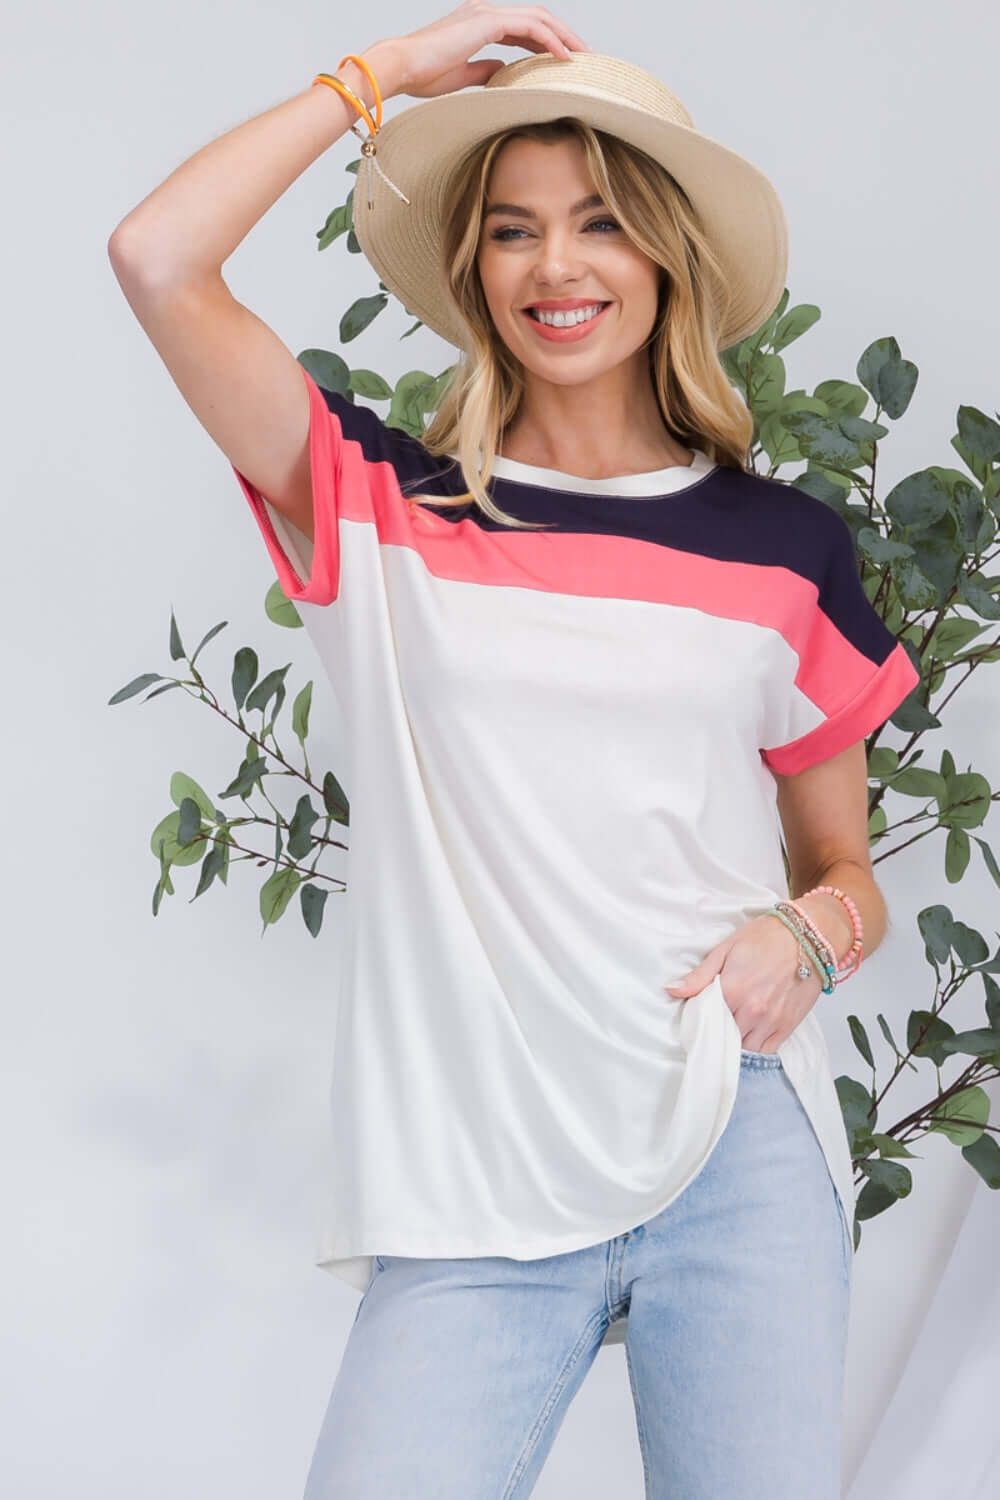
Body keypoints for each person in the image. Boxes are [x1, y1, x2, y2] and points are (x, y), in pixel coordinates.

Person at [108, 6, 920, 1497]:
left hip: (735, 1141)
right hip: (474, 1172)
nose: (560, 267)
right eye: (512, 229)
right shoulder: (380, 507)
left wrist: (809, 936)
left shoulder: (785, 549)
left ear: (664, 252)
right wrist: (390, 78)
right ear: (472, 270)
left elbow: (844, 867)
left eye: (603, 222)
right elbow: (157, 258)